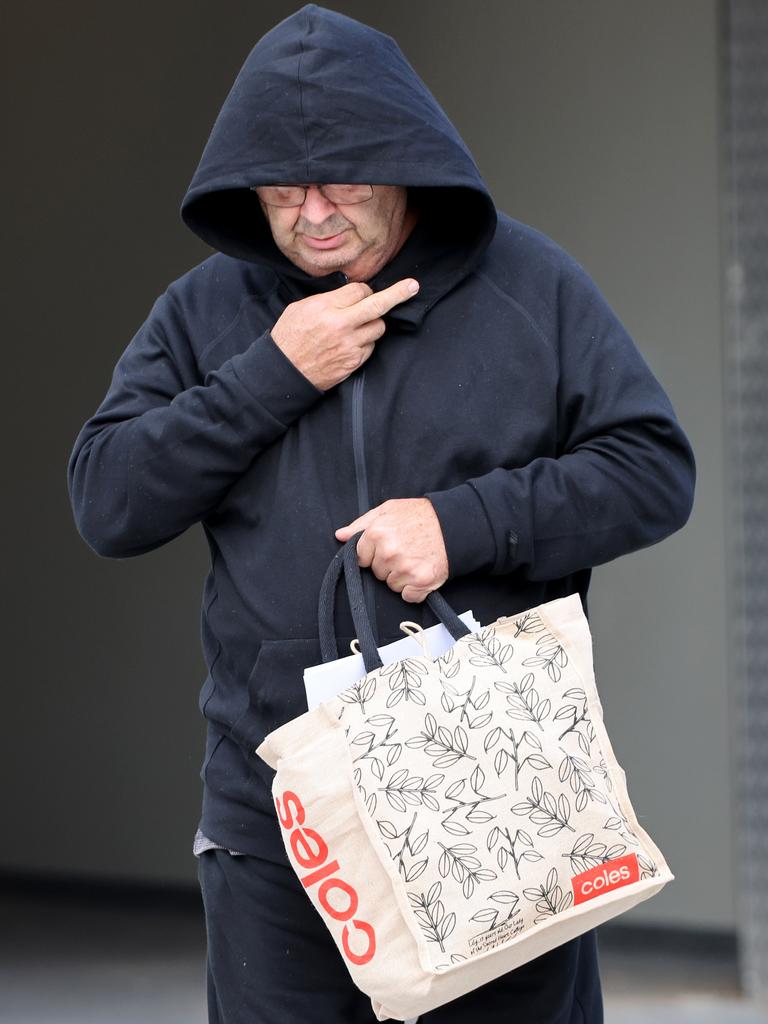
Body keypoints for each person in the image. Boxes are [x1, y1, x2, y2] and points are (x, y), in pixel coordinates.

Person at [66, 5, 695, 1022]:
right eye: (280, 189)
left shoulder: (529, 290)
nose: (311, 214)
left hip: (496, 805)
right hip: (282, 819)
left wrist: (467, 523)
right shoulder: (205, 313)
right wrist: (273, 372)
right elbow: (108, 498)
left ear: (404, 166)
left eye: (342, 182)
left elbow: (654, 470)